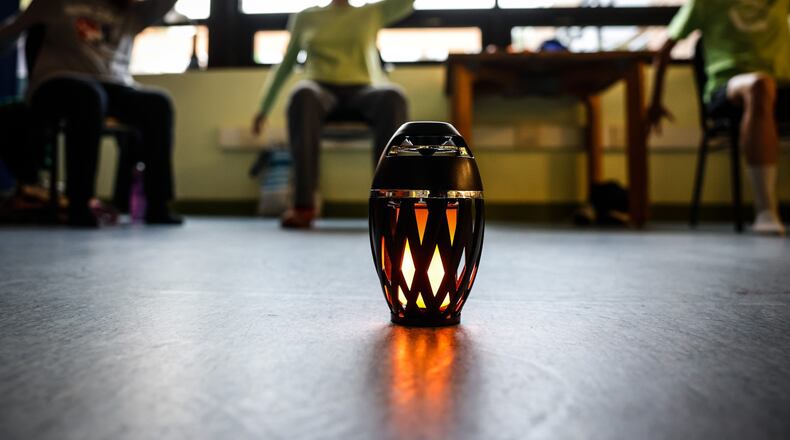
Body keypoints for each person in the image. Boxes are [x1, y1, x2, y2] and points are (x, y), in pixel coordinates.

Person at [0, 0, 182, 226]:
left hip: (114, 84)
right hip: (57, 80)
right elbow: (9, 33)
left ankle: (157, 206)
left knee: (158, 104)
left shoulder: (130, 14)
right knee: (89, 97)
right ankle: (78, 203)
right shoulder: (54, 3)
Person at [252, 0, 413, 229]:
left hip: (364, 90)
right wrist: (263, 109)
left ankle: (390, 207)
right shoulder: (306, 17)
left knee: (393, 96)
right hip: (320, 91)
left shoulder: (371, 12)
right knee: (302, 93)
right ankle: (303, 206)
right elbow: (286, 64)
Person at [647, 0, 790, 235]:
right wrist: (654, 103)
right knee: (759, 85)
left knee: (766, 85)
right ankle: (766, 210)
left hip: (782, 87)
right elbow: (664, 50)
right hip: (727, 89)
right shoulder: (705, 3)